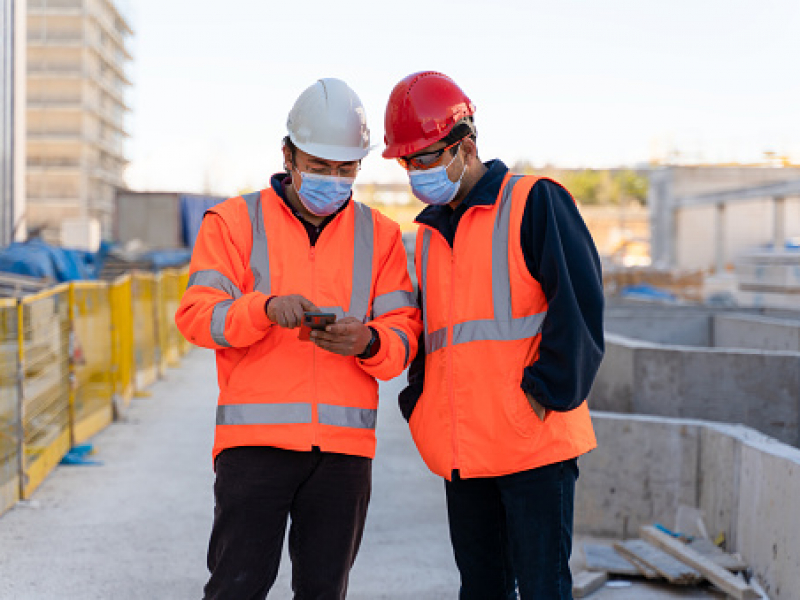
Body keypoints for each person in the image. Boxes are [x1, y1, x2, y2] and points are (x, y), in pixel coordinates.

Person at [176, 77, 421, 600]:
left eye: (344, 169)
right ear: (288, 155)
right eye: (319, 166)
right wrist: (262, 309)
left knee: (324, 590)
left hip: (343, 453)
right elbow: (198, 317)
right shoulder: (233, 223)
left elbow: (403, 335)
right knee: (236, 587)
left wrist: (370, 342)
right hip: (254, 449)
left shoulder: (379, 236)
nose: (332, 179)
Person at [382, 71, 605, 599]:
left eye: (428, 157)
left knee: (543, 588)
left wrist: (544, 396)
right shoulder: (433, 232)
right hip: (463, 451)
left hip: (532, 446)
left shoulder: (534, 201)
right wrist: (420, 400)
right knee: (480, 589)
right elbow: (439, 335)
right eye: (409, 162)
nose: (417, 171)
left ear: (467, 145)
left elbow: (579, 311)